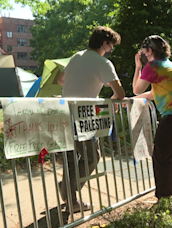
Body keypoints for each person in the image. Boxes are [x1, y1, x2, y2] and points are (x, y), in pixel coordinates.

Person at [56, 26, 125, 212]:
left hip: (64, 112)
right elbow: (120, 93)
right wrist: (105, 101)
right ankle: (68, 190)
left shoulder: (76, 56)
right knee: (92, 156)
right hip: (82, 116)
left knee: (71, 159)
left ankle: (71, 199)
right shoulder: (102, 63)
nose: (110, 50)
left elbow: (60, 80)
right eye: (111, 46)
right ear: (104, 43)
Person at [132, 35, 172, 200]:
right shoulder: (167, 66)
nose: (142, 55)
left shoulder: (152, 66)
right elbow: (154, 93)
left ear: (150, 51)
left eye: (143, 52)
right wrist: (134, 101)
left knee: (160, 157)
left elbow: (137, 89)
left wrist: (138, 67)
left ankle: (165, 198)